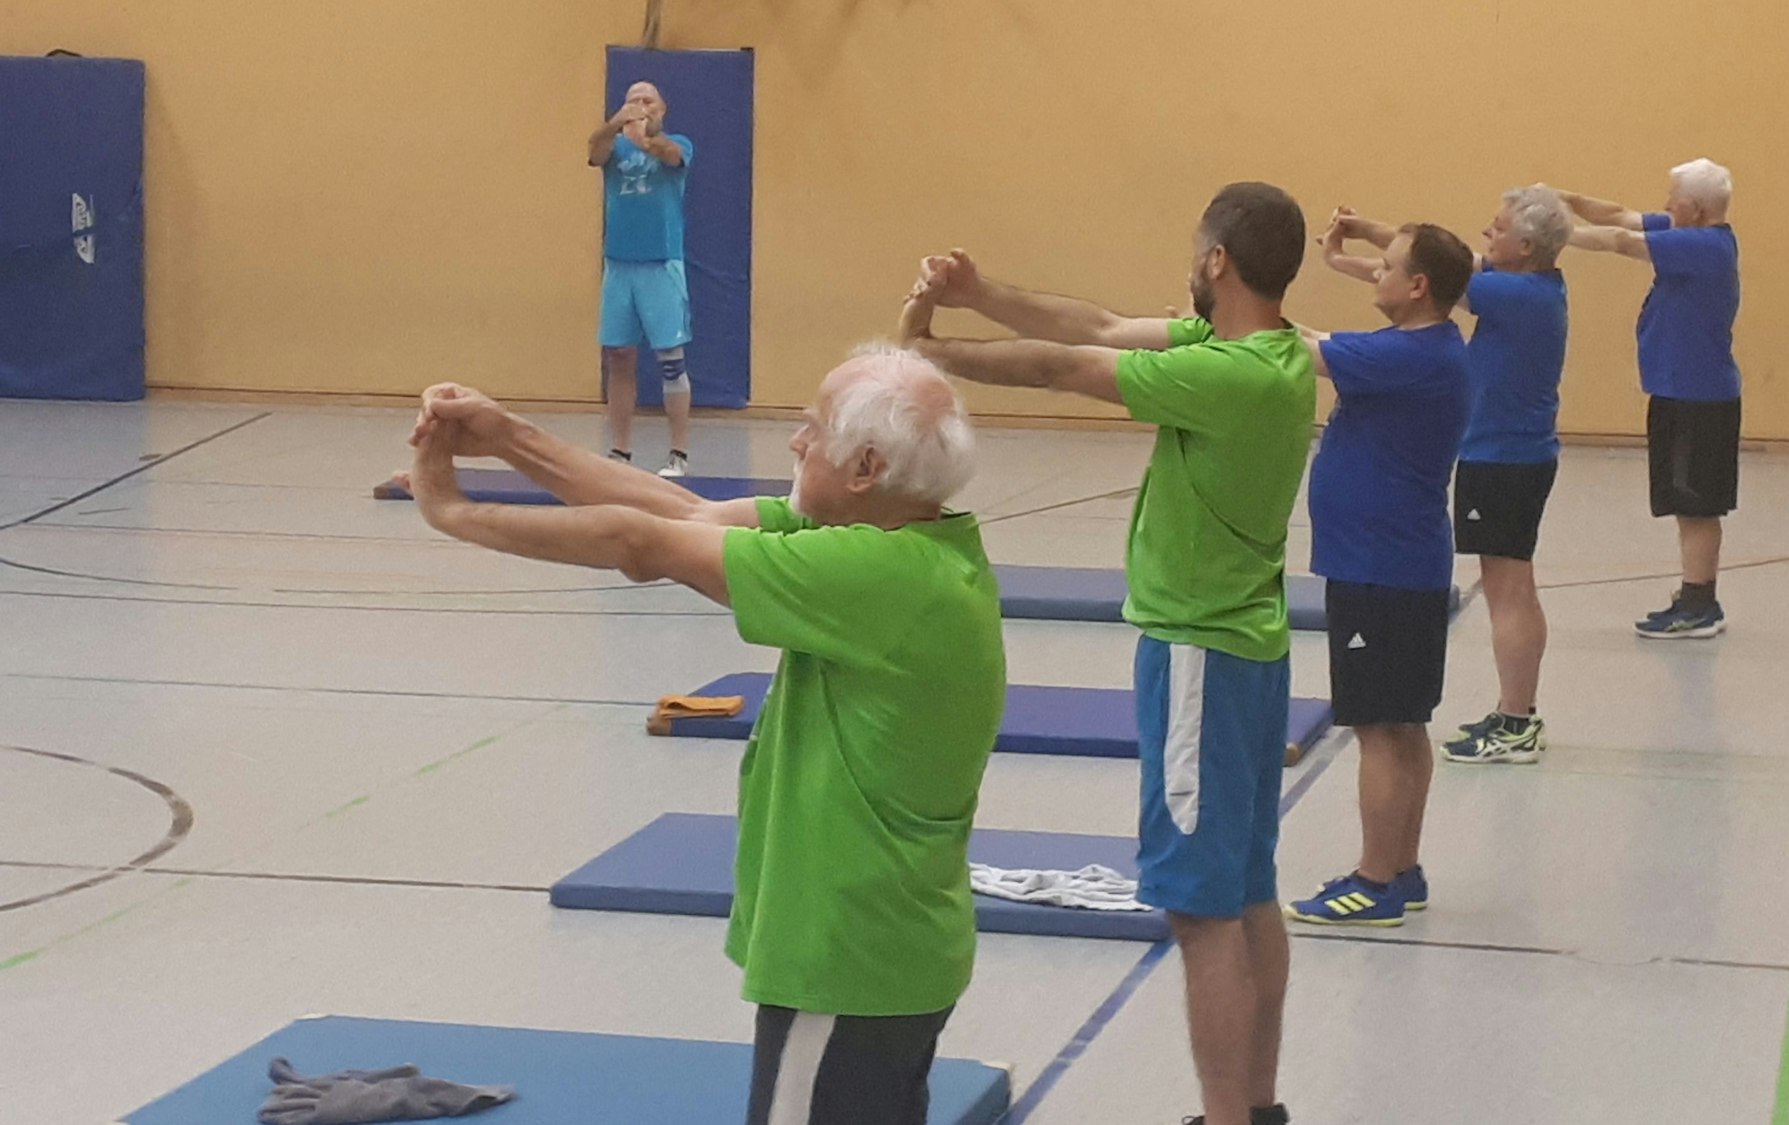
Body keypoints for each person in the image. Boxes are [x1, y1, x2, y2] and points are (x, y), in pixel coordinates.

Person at [404, 347, 1004, 1125]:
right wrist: (510, 437)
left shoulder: (879, 574)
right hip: (888, 952)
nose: (794, 442)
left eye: (811, 430)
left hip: (850, 960)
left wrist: (452, 511)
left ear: (864, 465)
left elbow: (637, 543)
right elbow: (675, 512)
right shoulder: (904, 538)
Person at [900, 181, 1314, 1125]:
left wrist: (926, 355)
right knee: (1247, 893)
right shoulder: (1268, 350)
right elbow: (1096, 323)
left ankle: (1226, 1116)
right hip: (1245, 651)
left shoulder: (1229, 376)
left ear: (1218, 261)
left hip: (1202, 656)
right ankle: (1253, 1106)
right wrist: (979, 289)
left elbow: (1065, 367)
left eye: (1194, 246)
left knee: (1204, 912)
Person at [1327, 189, 1571, 764]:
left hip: (1505, 458)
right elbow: (1423, 273)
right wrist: (1356, 249)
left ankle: (1518, 719)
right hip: (1512, 456)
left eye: (1497, 230)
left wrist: (1365, 236)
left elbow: (1433, 273)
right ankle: (1517, 713)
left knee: (1508, 590)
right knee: (1509, 586)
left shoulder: (1518, 292)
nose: (1487, 236)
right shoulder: (1531, 288)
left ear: (1526, 245)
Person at [1284, 219, 1473, 927]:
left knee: (1377, 729)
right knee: (1402, 724)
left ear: (1418, 285)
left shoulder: (1411, 355)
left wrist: (1229, 318)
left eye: (1386, 265)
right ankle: (1402, 867)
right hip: (1398, 563)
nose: (1375, 274)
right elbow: (1317, 343)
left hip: (1381, 567)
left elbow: (1303, 351)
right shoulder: (1424, 348)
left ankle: (1374, 877)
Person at [1552, 158, 1741, 638]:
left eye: (1672, 198)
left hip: (1696, 394)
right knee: (1685, 499)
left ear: (1695, 209)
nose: (1663, 206)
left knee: (1696, 502)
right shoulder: (1690, 232)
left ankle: (1700, 603)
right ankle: (1696, 592)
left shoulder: (1703, 245)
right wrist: (1568, 200)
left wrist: (1551, 228)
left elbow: (1621, 241)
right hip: (1678, 390)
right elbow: (1620, 216)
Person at [587, 80, 697, 478]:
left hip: (660, 264)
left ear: (662, 108)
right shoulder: (614, 146)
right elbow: (594, 151)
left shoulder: (678, 142)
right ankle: (620, 450)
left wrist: (646, 137)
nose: (640, 104)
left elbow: (671, 156)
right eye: (633, 99)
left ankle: (678, 453)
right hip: (620, 265)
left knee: (670, 360)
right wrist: (616, 124)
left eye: (648, 99)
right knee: (618, 356)